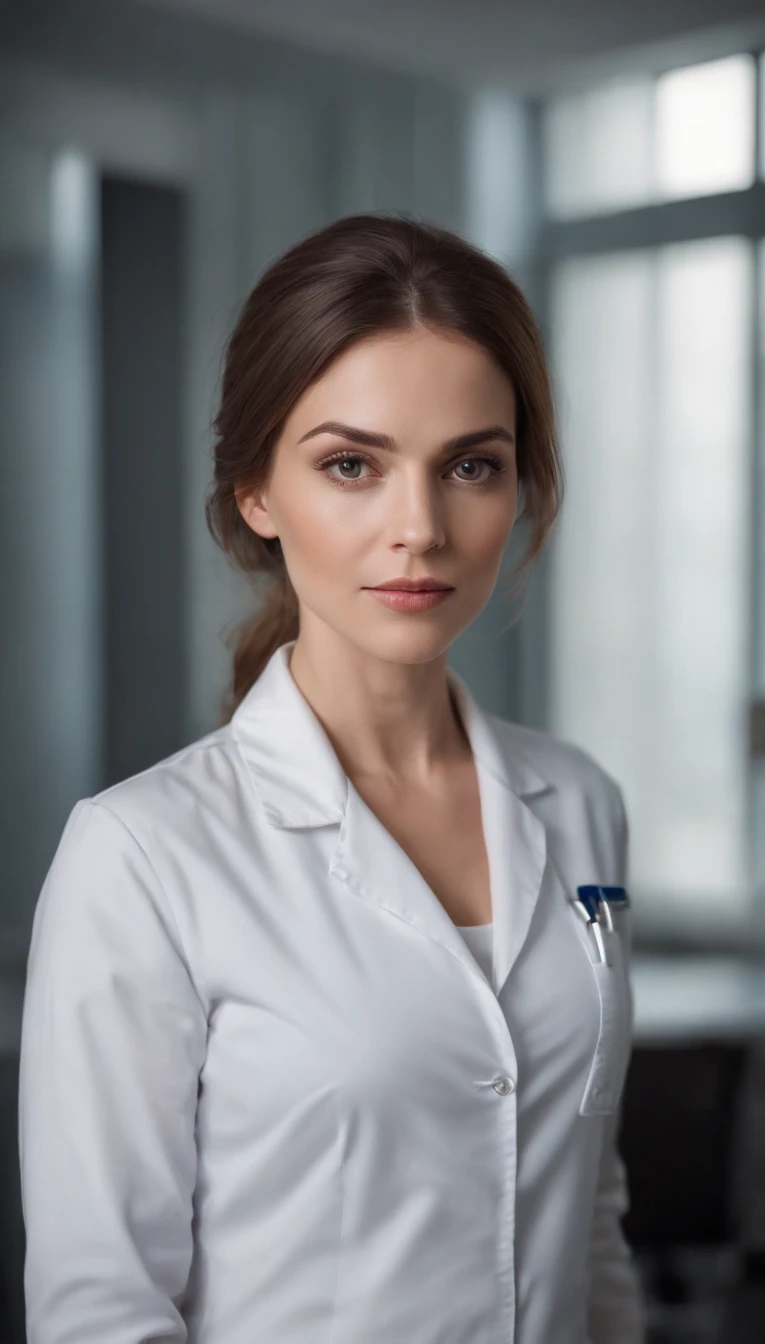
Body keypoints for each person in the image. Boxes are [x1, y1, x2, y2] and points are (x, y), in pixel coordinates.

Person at [18, 211, 645, 1343]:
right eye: (351, 465)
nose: (420, 527)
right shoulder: (142, 856)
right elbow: (101, 1309)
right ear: (258, 494)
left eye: (471, 466)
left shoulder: (584, 803)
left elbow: (584, 1215)